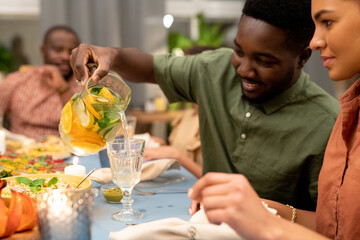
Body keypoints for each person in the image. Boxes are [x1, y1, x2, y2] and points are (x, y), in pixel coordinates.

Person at [69, 0, 340, 212]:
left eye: (264, 61)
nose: (244, 70)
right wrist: (112, 55)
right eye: (239, 52)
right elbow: (149, 68)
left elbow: (335, 225)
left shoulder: (327, 122)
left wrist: (262, 211)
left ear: (302, 58)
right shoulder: (215, 68)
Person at [189, 0, 360, 239]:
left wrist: (267, 225)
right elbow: (335, 225)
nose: (315, 41)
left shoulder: (327, 117)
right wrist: (261, 207)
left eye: (328, 22)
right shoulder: (351, 111)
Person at [0, 25, 82, 140]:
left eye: (71, 52)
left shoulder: (85, 86)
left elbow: (83, 131)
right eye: (58, 50)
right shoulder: (17, 80)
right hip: (21, 153)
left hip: (66, 154)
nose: (65, 56)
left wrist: (63, 89)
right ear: (43, 51)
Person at [144, 104, 202, 178]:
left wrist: (176, 154)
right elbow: (177, 149)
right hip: (177, 180)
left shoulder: (214, 121)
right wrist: (160, 144)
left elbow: (214, 179)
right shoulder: (186, 115)